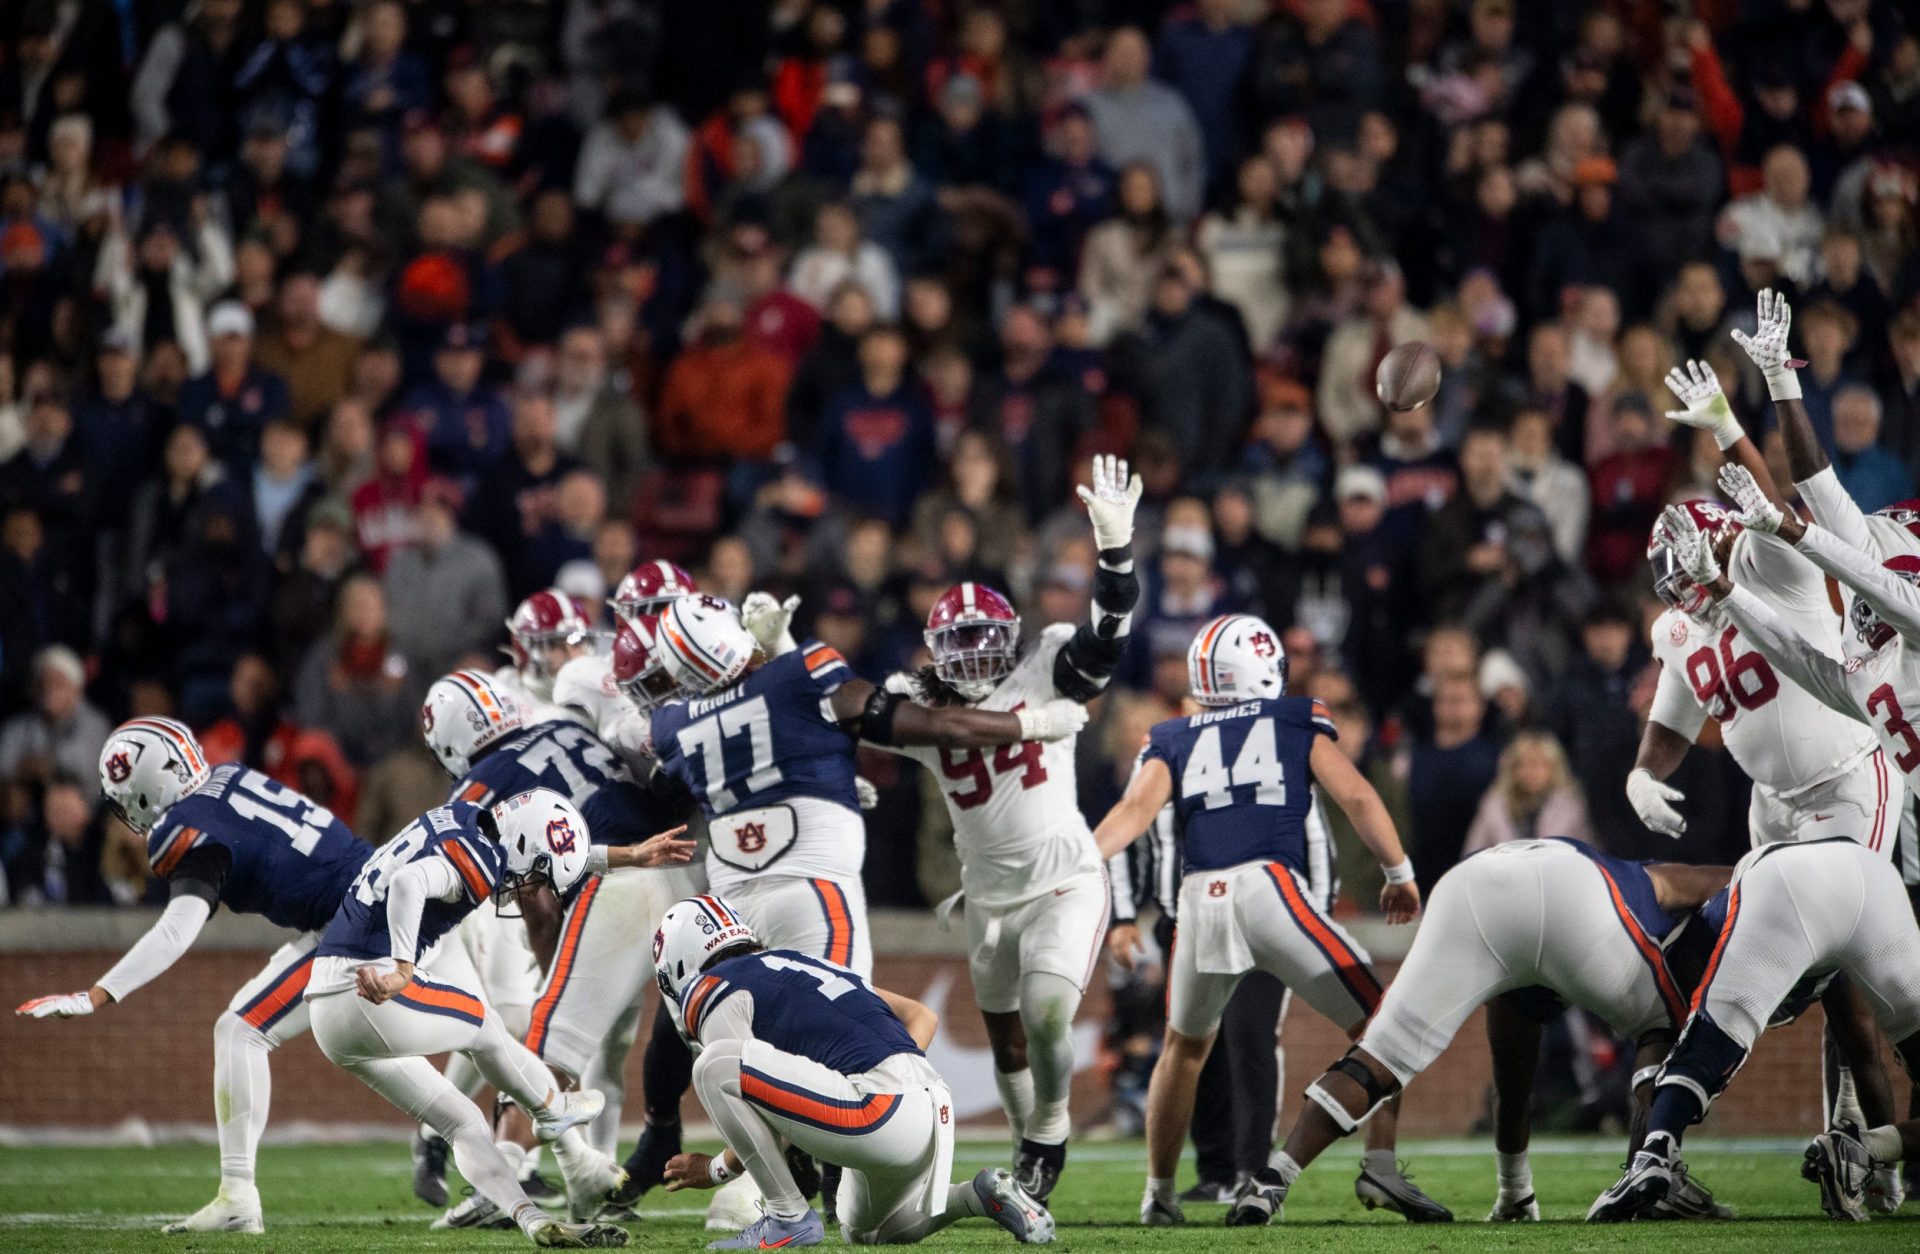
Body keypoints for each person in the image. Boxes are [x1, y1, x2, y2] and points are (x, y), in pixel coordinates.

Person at [1091, 613, 1444, 1227]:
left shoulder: (1171, 735)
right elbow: (1358, 796)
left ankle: (1160, 1195)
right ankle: (1379, 1168)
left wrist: (1075, 864)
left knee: (1184, 1049)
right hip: (1270, 888)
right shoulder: (1294, 717)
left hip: (1198, 898)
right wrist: (1398, 872)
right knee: (1387, 1027)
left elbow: (1132, 813)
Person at [874, 456, 1140, 1200]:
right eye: (958, 642)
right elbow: (847, 714)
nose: (974, 655)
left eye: (985, 638)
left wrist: (1115, 554)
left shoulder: (1048, 661)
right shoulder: (918, 704)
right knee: (1009, 1040)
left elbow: (1108, 637)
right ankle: (1030, 1151)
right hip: (988, 896)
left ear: (1011, 634)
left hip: (1064, 879)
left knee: (1050, 1011)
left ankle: (1049, 1127)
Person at [15, 718, 371, 1234]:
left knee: (242, 1029)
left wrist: (98, 994)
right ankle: (497, 1160)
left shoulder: (185, 826)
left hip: (351, 924)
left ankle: (238, 1196)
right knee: (427, 1050)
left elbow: (176, 930)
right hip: (365, 896)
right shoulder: (228, 777)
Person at [303, 787, 690, 1246]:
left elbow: (538, 853)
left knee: (462, 1121)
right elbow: (410, 883)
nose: (531, 887)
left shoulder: (469, 821)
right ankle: (549, 1111)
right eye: (539, 875)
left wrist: (627, 856)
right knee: (485, 1023)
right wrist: (403, 969)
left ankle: (531, 1218)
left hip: (327, 1007)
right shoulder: (482, 854)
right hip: (366, 988)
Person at [1271, 839, 1730, 1223]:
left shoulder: (1527, 985)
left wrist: (1517, 1194)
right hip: (1575, 888)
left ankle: (1272, 1179)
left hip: (1468, 884)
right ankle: (1650, 1173)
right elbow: (1737, 878)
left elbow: (1511, 1098)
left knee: (1384, 1055)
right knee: (1664, 1028)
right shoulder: (1651, 882)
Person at [417, 668, 694, 1227]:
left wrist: (553, 985)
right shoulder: (563, 725)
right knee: (623, 1047)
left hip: (616, 884)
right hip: (684, 868)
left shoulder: (479, 789)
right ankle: (601, 1182)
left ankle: (501, 1178)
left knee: (548, 1048)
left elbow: (537, 904)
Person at [652, 898, 1055, 1249]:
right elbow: (922, 1015)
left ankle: (786, 1217)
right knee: (871, 1232)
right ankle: (980, 1195)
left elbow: (749, 1099)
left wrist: (715, 1169)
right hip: (932, 1104)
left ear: (679, 962)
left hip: (876, 1109)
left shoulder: (712, 988)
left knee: (713, 1063)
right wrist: (896, 1081)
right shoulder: (804, 961)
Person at [1589, 840, 1920, 1223]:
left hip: (1781, 880)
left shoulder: (1686, 949)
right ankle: (1866, 1151)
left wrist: (1652, 1133)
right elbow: (1863, 1052)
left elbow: (1693, 1037)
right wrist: (1883, 1174)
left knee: (1709, 1038)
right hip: (1876, 877)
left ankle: (1655, 1156)